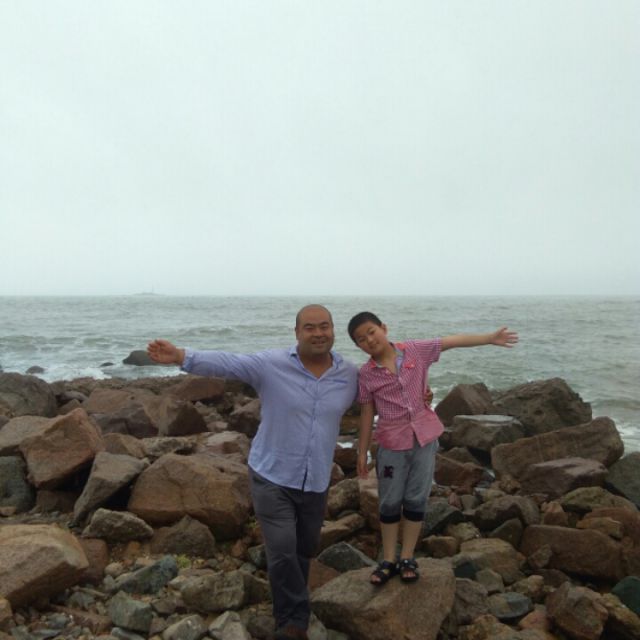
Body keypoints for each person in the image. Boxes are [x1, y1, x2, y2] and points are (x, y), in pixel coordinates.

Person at [147, 304, 358, 640]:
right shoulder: (272, 365)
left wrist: (420, 394)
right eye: (310, 327)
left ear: (333, 330)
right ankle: (292, 621)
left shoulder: (348, 375)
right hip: (272, 474)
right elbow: (228, 362)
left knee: (304, 548)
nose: (318, 333)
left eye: (324, 326)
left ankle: (292, 597)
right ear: (297, 332)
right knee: (283, 547)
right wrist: (181, 356)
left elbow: (383, 391)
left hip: (316, 478)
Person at [347, 311, 518, 586]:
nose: (369, 340)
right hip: (391, 443)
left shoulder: (415, 350)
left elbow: (451, 341)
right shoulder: (366, 374)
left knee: (416, 498)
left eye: (371, 332)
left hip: (424, 438)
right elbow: (367, 414)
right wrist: (362, 451)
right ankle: (388, 559)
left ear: (383, 328)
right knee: (389, 501)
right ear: (358, 346)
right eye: (361, 339)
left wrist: (489, 338)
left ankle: (407, 556)